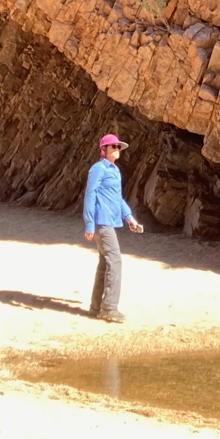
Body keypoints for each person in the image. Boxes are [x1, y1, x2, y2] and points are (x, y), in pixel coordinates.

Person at [83, 133, 143, 322]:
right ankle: (109, 308)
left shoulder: (114, 170)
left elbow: (117, 198)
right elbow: (90, 195)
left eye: (118, 147)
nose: (117, 150)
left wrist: (129, 218)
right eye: (113, 147)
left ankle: (96, 306)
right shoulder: (98, 169)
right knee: (115, 261)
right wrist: (89, 223)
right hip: (101, 222)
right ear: (104, 150)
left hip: (110, 220)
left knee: (105, 263)